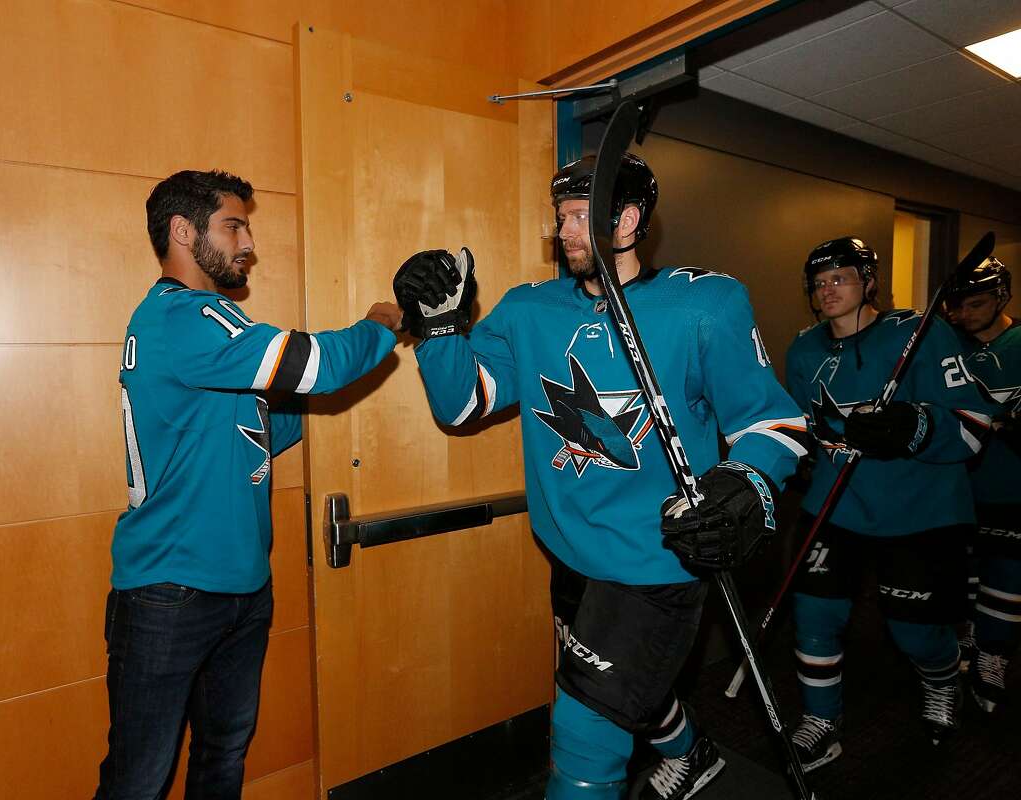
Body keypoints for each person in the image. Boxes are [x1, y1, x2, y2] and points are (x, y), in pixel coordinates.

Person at [393, 154, 809, 800]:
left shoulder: (704, 304)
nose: (565, 230)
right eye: (561, 215)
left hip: (657, 565)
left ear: (629, 220)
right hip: (570, 558)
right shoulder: (529, 310)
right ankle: (693, 755)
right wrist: (440, 328)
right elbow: (462, 404)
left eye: (580, 215)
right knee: (630, 687)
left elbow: (772, 425)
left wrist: (743, 492)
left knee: (584, 735)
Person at [96, 169, 401, 800]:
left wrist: (316, 382)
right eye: (233, 225)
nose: (248, 243)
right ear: (183, 231)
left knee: (222, 761)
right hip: (169, 592)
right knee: (137, 783)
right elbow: (311, 364)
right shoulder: (183, 316)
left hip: (240, 587)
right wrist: (383, 321)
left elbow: (266, 427)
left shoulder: (208, 328)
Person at [784, 237, 996, 771]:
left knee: (916, 632)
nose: (827, 289)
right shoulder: (804, 350)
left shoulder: (920, 336)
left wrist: (916, 425)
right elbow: (798, 431)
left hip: (919, 511)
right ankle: (821, 720)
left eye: (841, 277)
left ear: (869, 282)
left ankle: (943, 679)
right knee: (813, 615)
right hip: (837, 506)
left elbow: (975, 428)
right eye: (819, 281)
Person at [947, 256, 1020, 714]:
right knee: (962, 575)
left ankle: (994, 656)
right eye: (959, 305)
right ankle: (969, 639)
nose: (965, 314)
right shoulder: (949, 344)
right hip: (958, 485)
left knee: (1007, 576)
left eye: (977, 304)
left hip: (1013, 486)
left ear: (1001, 298)